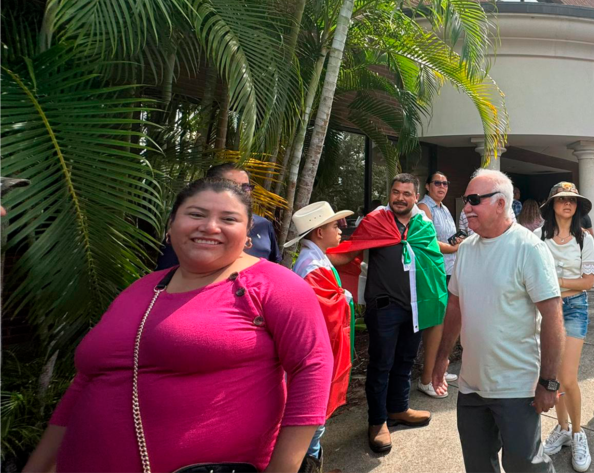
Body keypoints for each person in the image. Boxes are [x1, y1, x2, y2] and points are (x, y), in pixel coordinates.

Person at [24, 178, 332, 473]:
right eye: (196, 214)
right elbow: (84, 384)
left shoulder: (274, 285)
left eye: (229, 219)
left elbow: (312, 366)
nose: (210, 226)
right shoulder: (139, 290)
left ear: (248, 232)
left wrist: (283, 468)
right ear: (171, 225)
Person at [430, 169, 563, 473]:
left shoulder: (529, 248)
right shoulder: (466, 249)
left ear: (501, 203)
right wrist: (442, 358)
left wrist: (549, 382)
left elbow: (553, 317)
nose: (466, 208)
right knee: (478, 465)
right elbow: (455, 306)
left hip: (517, 388)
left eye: (474, 200)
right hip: (471, 386)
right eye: (466, 200)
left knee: (525, 466)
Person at [328, 174, 446, 454]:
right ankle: (377, 421)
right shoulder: (375, 221)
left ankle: (398, 408)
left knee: (405, 360)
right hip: (384, 307)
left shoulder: (422, 225)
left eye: (406, 193)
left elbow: (433, 261)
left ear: (415, 197)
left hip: (415, 305)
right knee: (381, 364)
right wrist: (315, 253)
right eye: (395, 192)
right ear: (390, 193)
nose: (400, 198)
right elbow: (349, 253)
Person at [286, 201, 355, 473]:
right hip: (317, 351)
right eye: (334, 226)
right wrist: (344, 297)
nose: (340, 230)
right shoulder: (313, 266)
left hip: (315, 348)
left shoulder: (314, 259)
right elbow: (324, 311)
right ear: (318, 232)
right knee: (313, 422)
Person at [535, 182, 594, 472]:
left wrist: (556, 282)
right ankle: (562, 428)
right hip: (545, 310)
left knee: (568, 377)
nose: (567, 204)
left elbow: (588, 282)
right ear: (552, 206)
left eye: (572, 200)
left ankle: (578, 433)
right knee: (554, 377)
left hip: (574, 308)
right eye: (561, 200)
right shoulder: (539, 237)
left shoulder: (584, 239)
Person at [156, 163, 280, 268]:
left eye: (245, 187)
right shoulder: (187, 229)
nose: (211, 228)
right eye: (197, 214)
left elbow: (273, 265)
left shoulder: (264, 225)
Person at [416, 171, 462, 398]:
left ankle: (439, 369)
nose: (442, 186)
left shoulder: (443, 208)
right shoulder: (424, 208)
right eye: (437, 183)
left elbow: (448, 237)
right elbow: (429, 241)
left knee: (446, 322)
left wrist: (456, 242)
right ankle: (428, 376)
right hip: (435, 271)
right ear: (427, 186)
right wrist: (453, 247)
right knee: (435, 324)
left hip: (450, 269)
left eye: (445, 183)